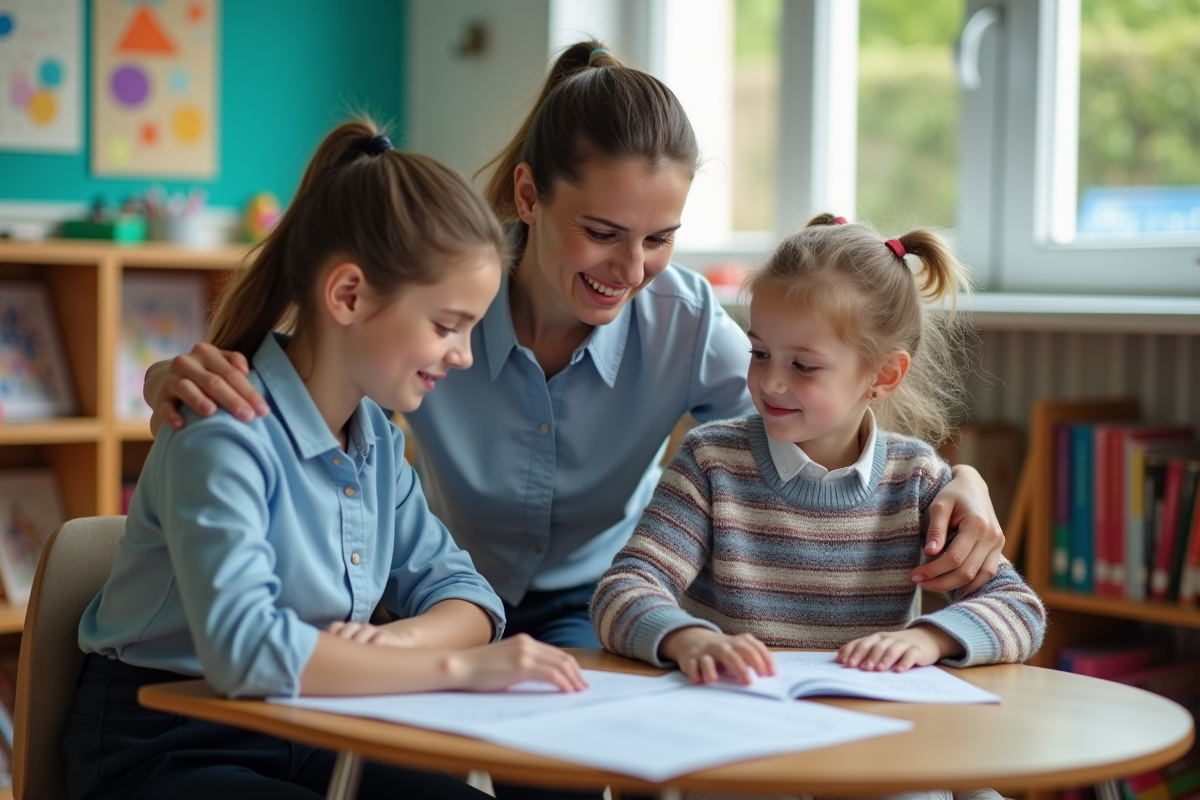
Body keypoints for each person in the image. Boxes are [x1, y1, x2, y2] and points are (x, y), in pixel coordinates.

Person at [141, 42, 1007, 653]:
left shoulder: (682, 319)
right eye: (602, 232)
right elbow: (308, 365)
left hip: (579, 600)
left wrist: (952, 477)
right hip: (425, 586)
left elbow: (808, 426)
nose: (632, 270)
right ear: (528, 194)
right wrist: (165, 377)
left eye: (660, 238)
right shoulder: (445, 297)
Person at [67, 120, 586, 800]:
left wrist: (401, 645)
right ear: (347, 295)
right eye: (446, 325)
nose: (462, 355)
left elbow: (468, 595)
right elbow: (246, 652)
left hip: (309, 726)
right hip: (165, 742)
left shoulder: (374, 440)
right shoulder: (225, 429)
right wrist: (457, 668)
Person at [591, 214, 1046, 688]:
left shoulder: (915, 480)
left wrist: (929, 639)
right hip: (736, 723)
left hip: (866, 736)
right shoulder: (711, 462)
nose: (770, 381)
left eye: (803, 365)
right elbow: (621, 592)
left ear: (884, 375)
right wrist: (688, 639)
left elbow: (1019, 609)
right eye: (760, 353)